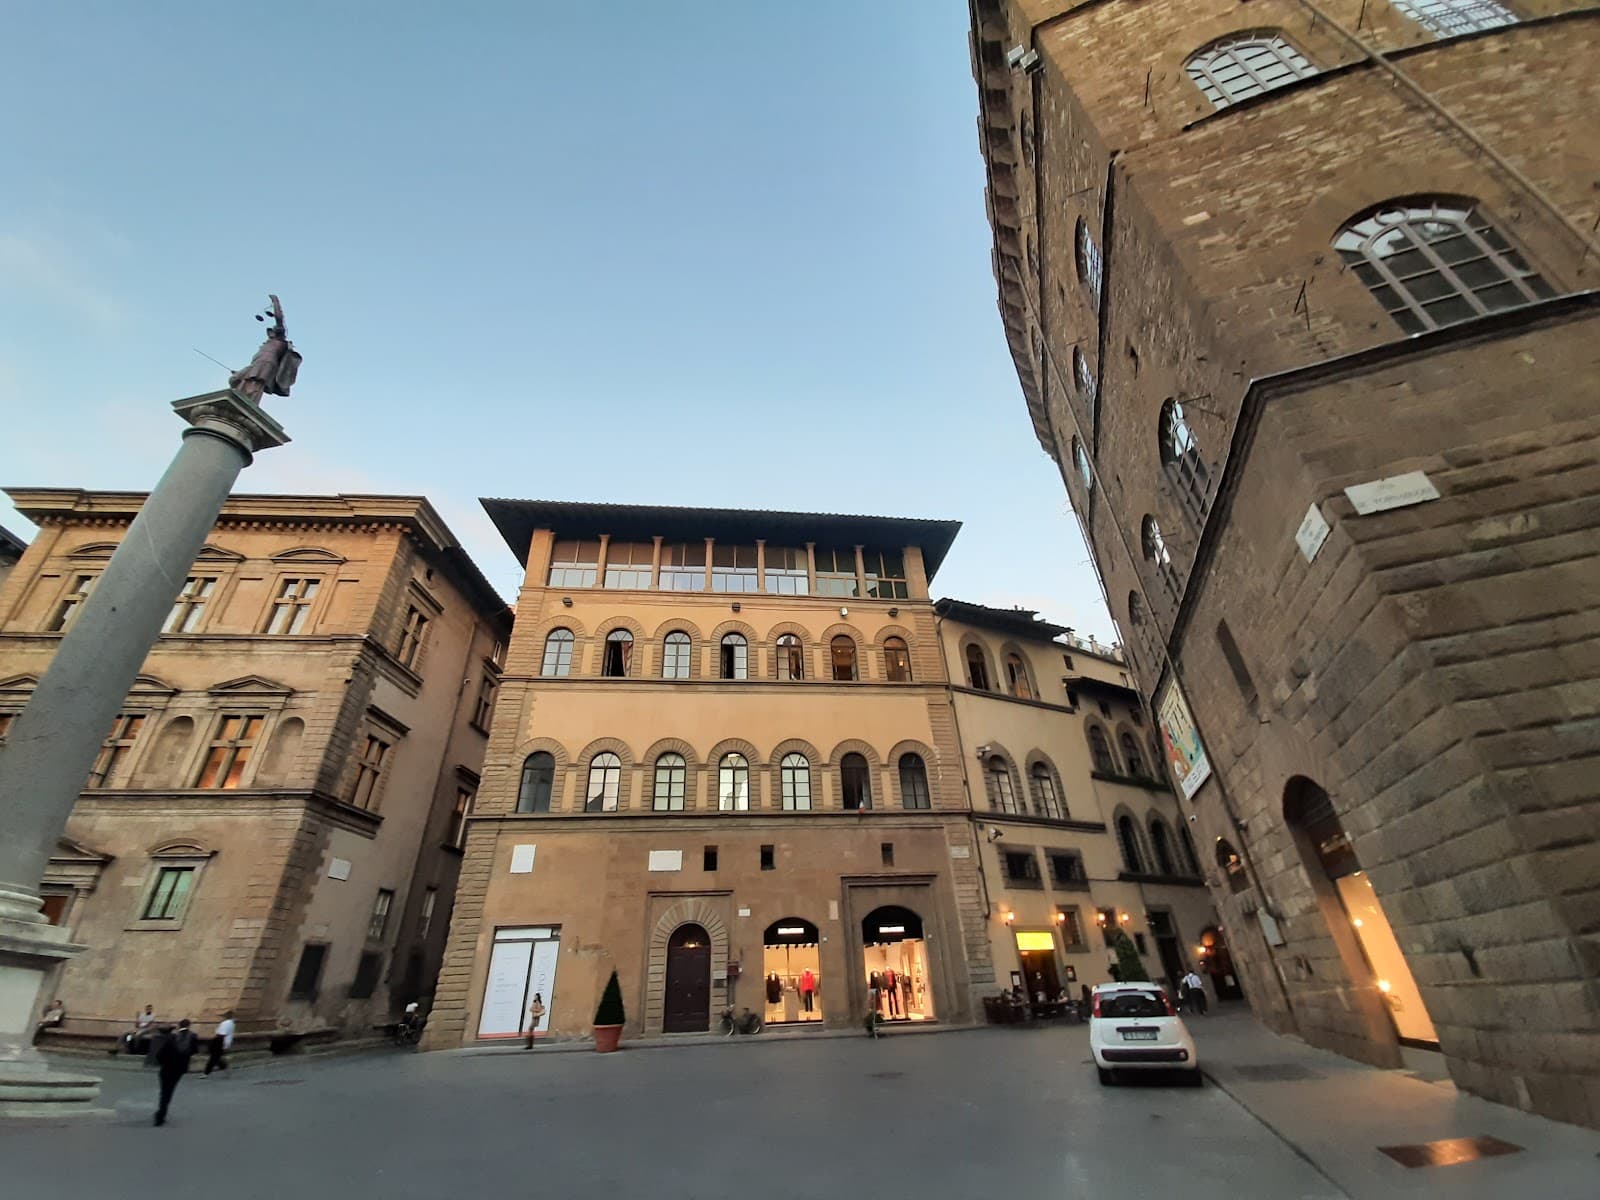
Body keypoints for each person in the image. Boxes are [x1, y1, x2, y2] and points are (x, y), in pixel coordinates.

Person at [154, 1019, 199, 1126]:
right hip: (179, 1069)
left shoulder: (172, 1037)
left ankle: (160, 1114)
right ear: (189, 1026)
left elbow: (160, 1054)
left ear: (179, 1026)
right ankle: (162, 1113)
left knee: (164, 1091)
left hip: (166, 1068)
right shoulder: (193, 1037)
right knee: (170, 1090)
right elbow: (194, 1051)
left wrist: (163, 1063)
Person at [204, 1010, 235, 1075]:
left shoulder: (225, 1023)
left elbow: (221, 1034)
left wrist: (215, 1042)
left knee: (214, 1057)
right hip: (225, 1042)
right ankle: (224, 1067)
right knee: (215, 1057)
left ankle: (206, 1073)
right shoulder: (232, 1023)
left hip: (220, 1042)